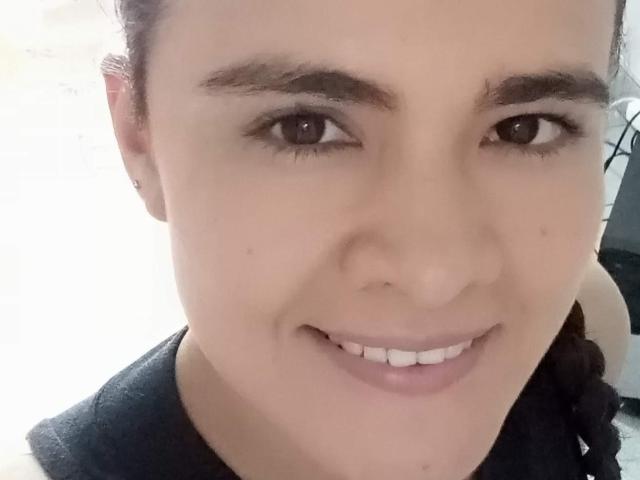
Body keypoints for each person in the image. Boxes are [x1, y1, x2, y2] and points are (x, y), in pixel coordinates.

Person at [1, 0, 632, 479]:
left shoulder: (584, 331)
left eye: (526, 128)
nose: (433, 276)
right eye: (304, 127)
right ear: (139, 143)